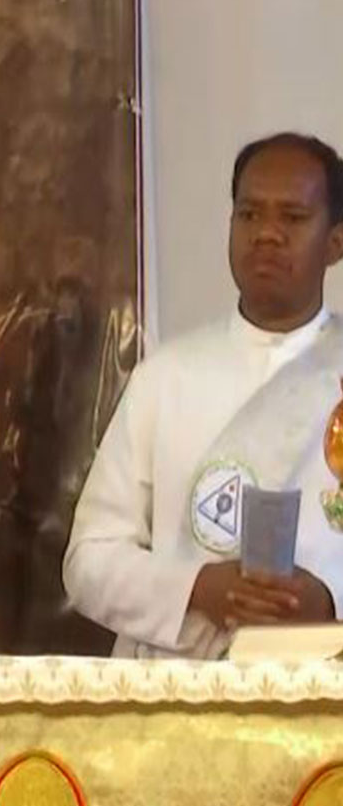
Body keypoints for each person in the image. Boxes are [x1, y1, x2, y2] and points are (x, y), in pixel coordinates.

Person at [65, 132, 343, 657]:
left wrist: (326, 602)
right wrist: (197, 588)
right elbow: (88, 563)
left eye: (293, 218)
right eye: (250, 214)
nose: (267, 235)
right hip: (179, 707)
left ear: (335, 242)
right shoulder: (165, 378)